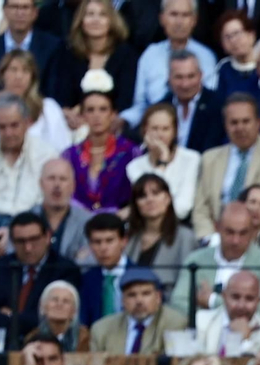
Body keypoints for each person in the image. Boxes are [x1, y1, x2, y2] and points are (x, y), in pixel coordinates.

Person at [193, 95, 260, 240]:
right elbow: (200, 210)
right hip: (215, 239)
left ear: (258, 123)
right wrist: (210, 239)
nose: (240, 128)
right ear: (225, 125)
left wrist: (242, 235)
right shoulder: (210, 158)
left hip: (257, 239)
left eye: (246, 121)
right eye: (233, 122)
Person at [0, 95, 55, 254]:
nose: (8, 133)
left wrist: (14, 231)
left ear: (27, 123)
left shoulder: (46, 155)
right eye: (2, 127)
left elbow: (43, 202)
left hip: (30, 223)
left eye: (14, 125)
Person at [185, 201, 260, 319]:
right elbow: (178, 302)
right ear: (217, 228)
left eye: (243, 233)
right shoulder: (195, 260)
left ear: (253, 232)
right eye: (230, 232)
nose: (235, 241)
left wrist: (212, 301)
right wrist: (207, 321)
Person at [125, 0, 218, 129]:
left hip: (195, 127)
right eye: (173, 14)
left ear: (194, 20)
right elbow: (140, 105)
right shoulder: (150, 55)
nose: (179, 22)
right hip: (154, 127)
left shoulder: (206, 57)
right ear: (162, 18)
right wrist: (123, 119)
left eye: (185, 15)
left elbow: (208, 103)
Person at [0, 211, 75, 335]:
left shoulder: (64, 269)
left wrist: (10, 316)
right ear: (12, 242)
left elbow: (52, 319)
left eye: (34, 240)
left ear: (47, 237)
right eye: (21, 241)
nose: (28, 248)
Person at [0, 50, 71, 154]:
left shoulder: (48, 108)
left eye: (25, 71)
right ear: (2, 74)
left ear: (32, 77)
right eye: (13, 70)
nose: (19, 76)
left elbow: (63, 149)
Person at [52, 0, 136, 120]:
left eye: (102, 15)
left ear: (111, 20)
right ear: (81, 20)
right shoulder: (68, 54)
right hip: (74, 124)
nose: (96, 20)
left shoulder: (126, 54)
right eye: (90, 14)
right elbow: (62, 97)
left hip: (112, 124)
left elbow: (125, 100)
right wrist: (72, 116)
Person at [63, 84, 138, 213]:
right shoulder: (70, 155)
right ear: (82, 116)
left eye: (103, 109)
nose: (96, 115)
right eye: (90, 110)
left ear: (113, 114)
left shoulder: (131, 152)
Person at [126, 103, 203, 222]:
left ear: (175, 131)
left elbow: (182, 209)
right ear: (145, 130)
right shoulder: (134, 166)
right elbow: (148, 205)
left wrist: (163, 159)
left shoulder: (192, 158)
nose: (160, 135)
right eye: (155, 128)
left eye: (165, 129)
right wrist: (163, 162)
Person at [0, 0, 59, 103]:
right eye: (14, 7)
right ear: (4, 11)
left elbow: (54, 92)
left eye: (25, 8)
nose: (20, 13)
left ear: (35, 12)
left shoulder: (53, 47)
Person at [125, 173, 197, 294]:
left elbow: (188, 285)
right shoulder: (129, 237)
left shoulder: (185, 237)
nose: (150, 200)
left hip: (170, 307)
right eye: (142, 196)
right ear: (136, 204)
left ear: (168, 198)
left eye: (156, 193)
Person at [87, 266, 183, 354]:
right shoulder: (102, 329)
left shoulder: (174, 323)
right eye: (132, 295)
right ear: (123, 301)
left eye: (146, 294)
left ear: (158, 297)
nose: (139, 301)